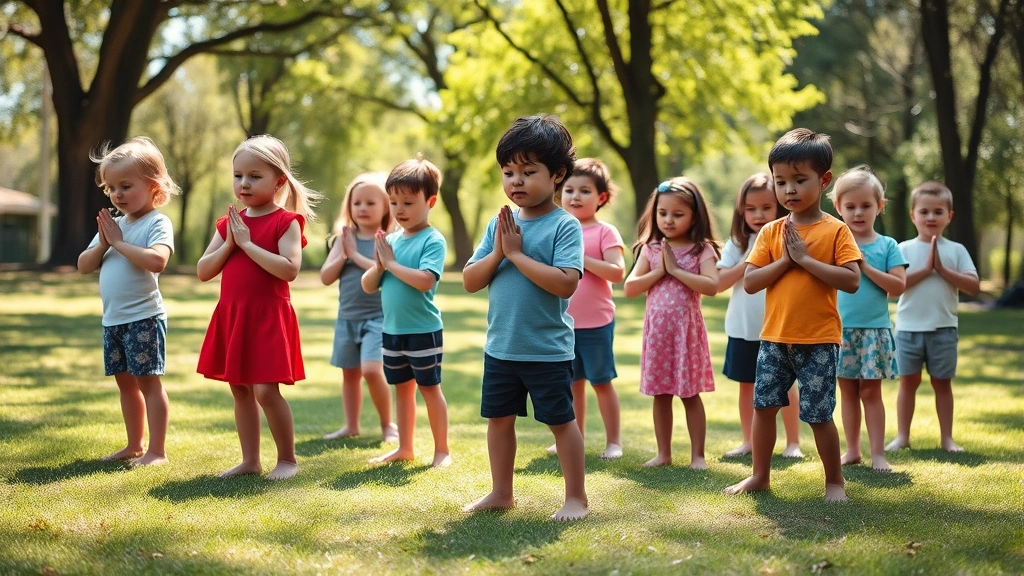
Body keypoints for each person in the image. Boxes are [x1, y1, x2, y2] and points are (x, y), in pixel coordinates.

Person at [724, 128, 861, 502]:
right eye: (781, 181)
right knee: (763, 407)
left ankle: (835, 483)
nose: (789, 190)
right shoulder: (771, 232)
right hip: (774, 338)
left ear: (824, 180)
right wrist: (787, 259)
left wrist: (805, 260)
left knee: (818, 415)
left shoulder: (836, 230)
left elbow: (851, 281)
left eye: (800, 180)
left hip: (818, 340)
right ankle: (760, 476)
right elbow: (751, 282)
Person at [463, 115, 588, 521]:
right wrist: (500, 250)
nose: (516, 181)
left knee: (561, 422)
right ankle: (501, 492)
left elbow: (566, 284)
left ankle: (576, 498)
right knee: (498, 421)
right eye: (508, 171)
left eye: (528, 171)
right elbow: (470, 280)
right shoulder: (499, 224)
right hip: (501, 345)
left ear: (558, 175)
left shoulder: (564, 225)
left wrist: (517, 255)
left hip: (546, 349)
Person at [196, 134, 321, 480]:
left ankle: (287, 459)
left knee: (266, 389)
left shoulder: (286, 222)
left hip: (268, 317)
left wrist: (248, 246)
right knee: (239, 387)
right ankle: (250, 461)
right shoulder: (230, 223)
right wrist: (231, 244)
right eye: (238, 175)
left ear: (279, 181)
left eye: (254, 176)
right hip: (234, 315)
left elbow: (289, 269)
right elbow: (204, 270)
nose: (244, 183)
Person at [77, 136, 179, 466]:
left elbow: (157, 261)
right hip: (114, 320)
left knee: (148, 382)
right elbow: (83, 266)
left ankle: (157, 451)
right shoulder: (113, 226)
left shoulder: (156, 222)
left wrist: (118, 244)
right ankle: (134, 445)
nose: (117, 194)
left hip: (144, 318)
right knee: (125, 384)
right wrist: (104, 243)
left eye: (125, 185)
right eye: (111, 188)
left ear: (153, 186)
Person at [623, 177, 720, 470]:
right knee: (661, 394)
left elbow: (711, 286)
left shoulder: (701, 250)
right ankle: (663, 453)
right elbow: (630, 288)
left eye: (678, 214)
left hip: (685, 334)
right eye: (663, 213)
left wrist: (676, 270)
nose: (668, 219)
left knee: (690, 394)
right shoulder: (651, 248)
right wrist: (660, 271)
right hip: (658, 336)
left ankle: (698, 456)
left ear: (695, 217)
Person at [360, 156, 451, 468]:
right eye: (394, 201)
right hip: (393, 331)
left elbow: (425, 281)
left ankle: (442, 451)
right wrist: (379, 264)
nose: (399, 210)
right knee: (402, 390)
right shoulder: (391, 240)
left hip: (423, 330)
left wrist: (393, 263)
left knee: (429, 389)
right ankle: (405, 448)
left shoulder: (433, 240)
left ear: (431, 201)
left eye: (408, 202)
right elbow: (370, 285)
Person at [886, 181, 979, 453]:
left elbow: (973, 286)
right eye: (924, 211)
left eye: (938, 212)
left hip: (943, 329)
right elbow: (893, 289)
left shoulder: (956, 250)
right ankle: (903, 436)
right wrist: (927, 269)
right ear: (912, 215)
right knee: (908, 382)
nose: (930, 217)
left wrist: (941, 268)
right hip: (908, 329)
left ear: (949, 216)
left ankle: (947, 439)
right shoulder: (902, 249)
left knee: (942, 383)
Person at [717, 173, 803, 459]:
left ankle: (793, 443)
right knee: (747, 387)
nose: (758, 214)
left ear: (779, 205)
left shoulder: (788, 237)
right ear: (741, 210)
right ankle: (749, 442)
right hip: (743, 328)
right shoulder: (737, 243)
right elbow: (719, 283)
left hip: (780, 328)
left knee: (787, 386)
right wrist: (749, 258)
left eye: (765, 208)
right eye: (751, 208)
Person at [546, 157, 626, 460]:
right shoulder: (557, 228)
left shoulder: (605, 231)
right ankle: (571, 438)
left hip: (597, 323)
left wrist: (581, 258)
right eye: (568, 190)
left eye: (584, 191)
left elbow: (617, 272)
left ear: (601, 197)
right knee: (571, 384)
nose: (575, 197)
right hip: (563, 322)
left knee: (601, 382)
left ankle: (613, 441)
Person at [829, 166, 908, 472]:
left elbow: (898, 287)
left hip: (874, 331)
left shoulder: (887, 245)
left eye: (866, 206)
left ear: (880, 206)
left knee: (870, 392)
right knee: (847, 393)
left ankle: (878, 454)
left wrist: (865, 266)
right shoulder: (834, 242)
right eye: (850, 207)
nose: (858, 212)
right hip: (840, 331)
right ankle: (852, 451)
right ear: (838, 208)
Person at [320, 172, 398, 443]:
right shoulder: (343, 238)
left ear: (386, 206)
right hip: (347, 318)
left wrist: (356, 256)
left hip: (377, 318)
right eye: (357, 203)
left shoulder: (387, 240)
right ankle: (351, 426)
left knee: (372, 371)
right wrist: (344, 254)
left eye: (370, 203)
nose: (362, 208)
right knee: (350, 375)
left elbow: (386, 272)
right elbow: (326, 277)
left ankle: (388, 425)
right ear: (349, 207)